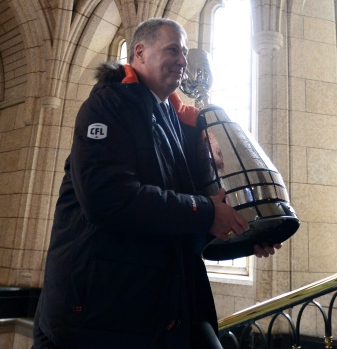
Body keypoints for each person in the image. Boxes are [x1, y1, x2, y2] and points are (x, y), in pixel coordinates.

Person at [32, 18, 279, 349]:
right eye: (173, 49)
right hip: (98, 315)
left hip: (160, 308)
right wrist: (206, 212)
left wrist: (245, 235)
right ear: (140, 52)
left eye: (185, 53)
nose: (183, 60)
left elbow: (179, 224)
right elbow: (107, 198)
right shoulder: (108, 104)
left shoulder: (178, 125)